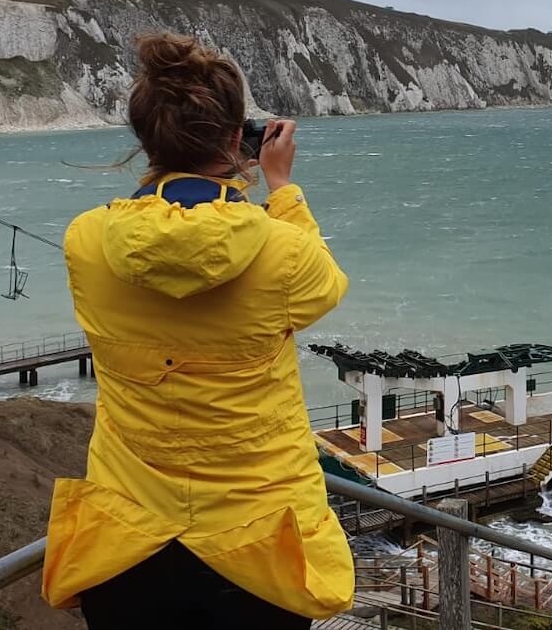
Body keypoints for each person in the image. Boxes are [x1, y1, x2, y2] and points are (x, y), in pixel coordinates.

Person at [42, 33, 354, 628]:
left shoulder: (86, 239)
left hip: (128, 544)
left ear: (145, 140)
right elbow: (322, 286)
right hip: (257, 545)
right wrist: (281, 186)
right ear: (239, 140)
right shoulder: (283, 251)